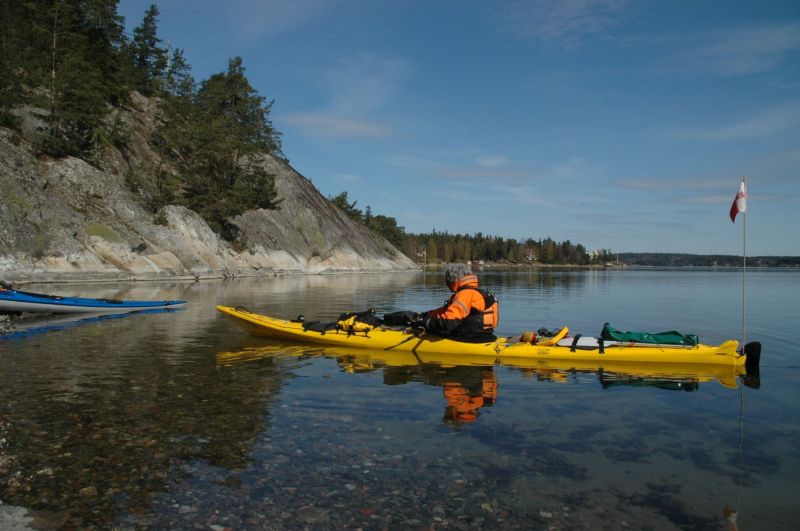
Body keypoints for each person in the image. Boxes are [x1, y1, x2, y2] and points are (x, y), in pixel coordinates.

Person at [420, 263, 498, 342]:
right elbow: (449, 310)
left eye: (447, 282)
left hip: (469, 339)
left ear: (452, 280)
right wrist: (425, 315)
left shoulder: (465, 295)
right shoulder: (479, 294)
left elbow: (447, 323)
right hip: (487, 336)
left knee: (434, 329)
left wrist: (427, 322)